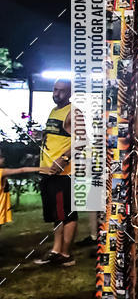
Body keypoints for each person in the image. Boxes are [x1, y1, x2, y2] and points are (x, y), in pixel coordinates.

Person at [34, 79, 80, 266]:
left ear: (70, 93)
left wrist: (64, 159)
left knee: (67, 214)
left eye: (61, 91)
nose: (56, 94)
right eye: (55, 90)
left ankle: (66, 255)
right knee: (56, 214)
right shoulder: (54, 111)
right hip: (48, 171)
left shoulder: (74, 112)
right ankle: (56, 250)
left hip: (64, 174)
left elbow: (82, 140)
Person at [0, 149, 46, 231]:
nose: (3, 159)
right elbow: (22, 170)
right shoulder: (2, 172)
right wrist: (41, 169)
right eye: (1, 157)